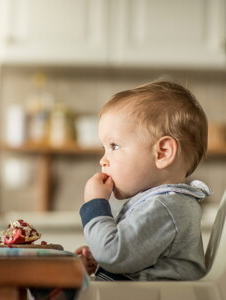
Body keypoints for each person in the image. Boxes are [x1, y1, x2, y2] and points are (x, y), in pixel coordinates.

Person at [75, 80, 212, 281]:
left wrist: (95, 204)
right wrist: (99, 258)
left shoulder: (166, 206)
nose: (103, 160)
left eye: (114, 146)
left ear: (162, 153)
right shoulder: (160, 203)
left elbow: (114, 255)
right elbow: (127, 256)